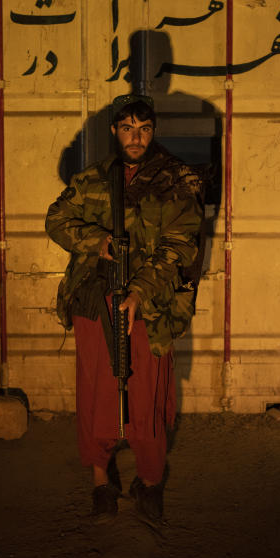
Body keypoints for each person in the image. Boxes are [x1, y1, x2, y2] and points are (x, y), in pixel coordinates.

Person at [45, 94, 203, 523]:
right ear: (115, 131)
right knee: (97, 396)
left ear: (154, 132)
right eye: (128, 128)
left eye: (145, 128)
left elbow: (180, 245)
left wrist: (139, 294)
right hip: (95, 301)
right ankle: (101, 482)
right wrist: (96, 242)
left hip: (148, 309)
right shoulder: (93, 178)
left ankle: (149, 481)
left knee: (146, 399)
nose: (137, 137)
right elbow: (56, 219)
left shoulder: (177, 181)